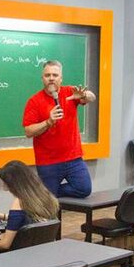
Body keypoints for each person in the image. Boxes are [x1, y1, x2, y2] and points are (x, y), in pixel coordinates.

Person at [22, 60, 95, 198]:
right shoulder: (34, 101)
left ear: (61, 78)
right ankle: (47, 194)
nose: (51, 78)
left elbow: (92, 97)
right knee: (48, 205)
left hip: (73, 158)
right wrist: (48, 122)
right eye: (47, 75)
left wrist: (84, 96)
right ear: (42, 78)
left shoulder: (70, 92)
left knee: (84, 189)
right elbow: (28, 131)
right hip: (48, 161)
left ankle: (46, 193)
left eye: (55, 75)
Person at [0, 160, 60, 251]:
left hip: (18, 255)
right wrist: (1, 216)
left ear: (13, 184)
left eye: (5, 184)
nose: (5, 188)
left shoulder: (19, 202)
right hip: (41, 251)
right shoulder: (46, 196)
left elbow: (4, 245)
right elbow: (29, 219)